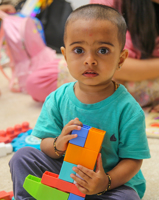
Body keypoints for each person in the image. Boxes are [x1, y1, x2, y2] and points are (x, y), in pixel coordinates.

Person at [9, 4, 151, 200]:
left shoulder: (128, 109)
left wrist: (105, 181)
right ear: (65, 56)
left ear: (121, 58)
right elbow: (45, 144)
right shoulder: (57, 98)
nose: (90, 60)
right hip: (64, 174)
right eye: (78, 50)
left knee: (128, 198)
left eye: (102, 50)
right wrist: (58, 145)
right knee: (22, 157)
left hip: (108, 182)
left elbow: (133, 160)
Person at [26, 0, 159, 106]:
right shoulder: (108, 6)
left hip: (132, 70)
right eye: (77, 50)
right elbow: (106, 61)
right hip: (123, 70)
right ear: (64, 53)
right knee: (39, 81)